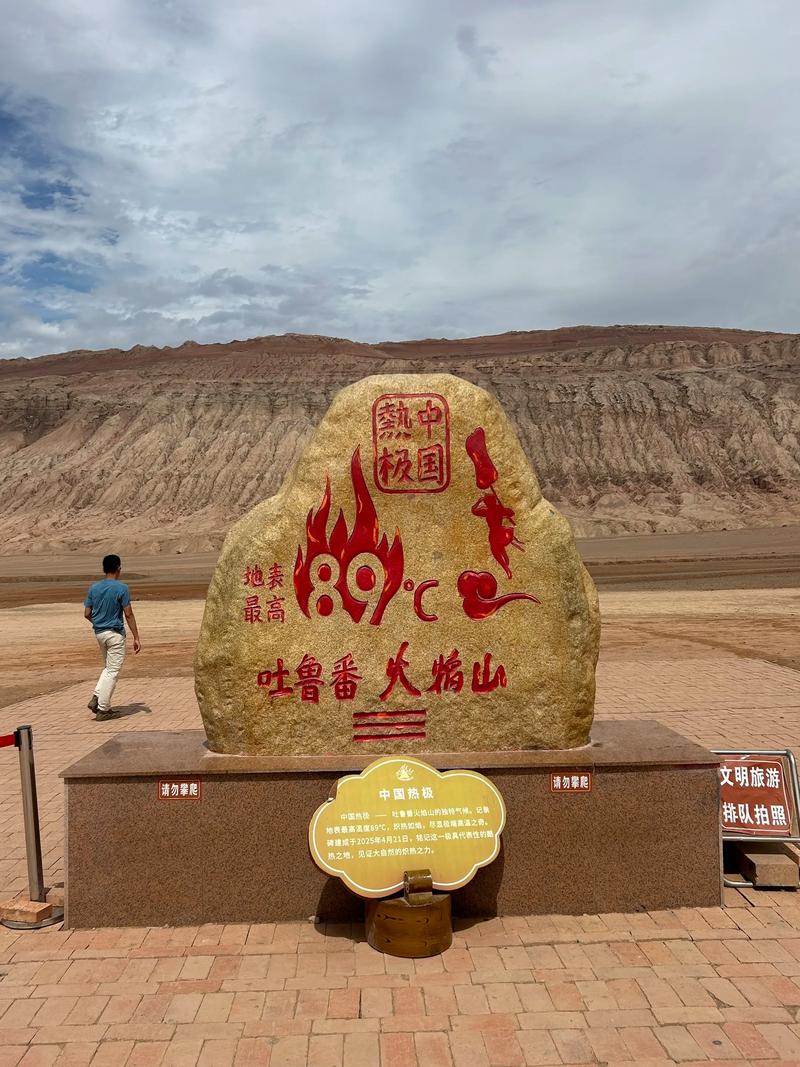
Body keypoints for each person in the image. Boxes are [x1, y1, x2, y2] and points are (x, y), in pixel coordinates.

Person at [83, 554, 141, 720]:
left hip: (100, 633)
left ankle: (96, 697)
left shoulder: (94, 588)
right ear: (118, 569)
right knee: (113, 671)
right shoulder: (121, 588)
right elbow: (128, 614)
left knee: (108, 668)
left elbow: (87, 613)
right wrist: (136, 637)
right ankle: (103, 708)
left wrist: (98, 622)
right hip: (115, 634)